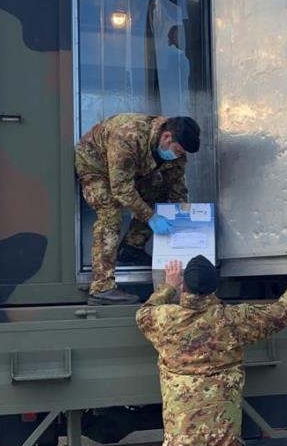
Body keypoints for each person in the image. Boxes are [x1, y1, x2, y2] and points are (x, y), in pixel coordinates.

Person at [137, 255, 287, 446]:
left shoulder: (165, 319)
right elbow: (279, 314)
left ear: (184, 285)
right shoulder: (233, 319)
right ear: (215, 287)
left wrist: (168, 286)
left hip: (182, 432)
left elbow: (144, 313)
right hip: (222, 432)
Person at [75, 113, 201, 305]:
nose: (179, 155)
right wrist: (151, 217)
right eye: (178, 151)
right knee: (110, 212)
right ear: (167, 137)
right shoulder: (128, 136)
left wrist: (183, 213)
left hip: (129, 170)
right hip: (95, 165)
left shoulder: (175, 152)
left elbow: (175, 184)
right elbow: (121, 189)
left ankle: (131, 249)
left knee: (157, 191)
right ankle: (102, 287)